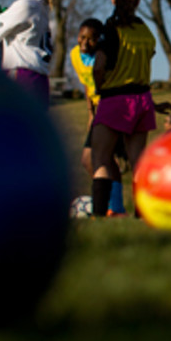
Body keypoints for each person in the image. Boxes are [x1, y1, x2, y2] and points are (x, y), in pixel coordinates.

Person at [88, 0, 171, 218]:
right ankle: (142, 213)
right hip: (142, 101)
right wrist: (153, 104)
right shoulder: (145, 31)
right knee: (138, 162)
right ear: (137, 2)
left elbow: (99, 66)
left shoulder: (111, 29)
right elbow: (143, 67)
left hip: (115, 99)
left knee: (101, 158)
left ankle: (97, 215)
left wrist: (99, 88)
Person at [69, 18, 127, 216]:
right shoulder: (75, 55)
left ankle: (115, 206)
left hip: (112, 107)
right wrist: (90, 113)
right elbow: (86, 84)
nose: (85, 43)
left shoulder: (105, 57)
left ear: (99, 40)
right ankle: (114, 206)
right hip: (97, 110)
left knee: (94, 158)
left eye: (91, 39)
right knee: (95, 160)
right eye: (82, 37)